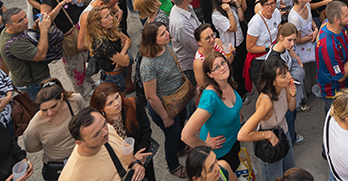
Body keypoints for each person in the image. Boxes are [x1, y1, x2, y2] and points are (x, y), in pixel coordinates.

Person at [138, 21, 189, 177]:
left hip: (178, 99)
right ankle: (173, 165)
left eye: (166, 30)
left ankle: (181, 148)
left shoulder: (166, 46)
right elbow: (150, 96)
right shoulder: (148, 64)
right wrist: (165, 117)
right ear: (152, 40)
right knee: (171, 137)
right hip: (164, 107)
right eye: (162, 33)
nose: (167, 33)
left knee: (181, 124)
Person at [181, 52, 244, 173]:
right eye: (216, 67)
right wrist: (205, 146)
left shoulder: (227, 79)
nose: (222, 68)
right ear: (210, 75)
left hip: (234, 139)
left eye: (223, 62)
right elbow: (186, 135)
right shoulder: (210, 99)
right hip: (222, 152)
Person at [238, 58, 298, 180]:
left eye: (287, 72)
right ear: (273, 82)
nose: (289, 76)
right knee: (275, 177)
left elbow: (291, 108)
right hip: (270, 144)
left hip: (284, 134)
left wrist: (292, 95)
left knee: (290, 172)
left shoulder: (284, 87)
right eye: (283, 75)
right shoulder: (266, 102)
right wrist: (268, 135)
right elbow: (242, 135)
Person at [59, 106, 150, 181]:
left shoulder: (108, 130)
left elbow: (124, 157)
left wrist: (135, 163)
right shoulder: (71, 176)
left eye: (104, 124)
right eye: (96, 134)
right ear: (80, 143)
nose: (105, 132)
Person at [40, 0, 90, 97]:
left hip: (80, 30)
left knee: (84, 60)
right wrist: (60, 5)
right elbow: (44, 19)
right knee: (74, 66)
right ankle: (82, 92)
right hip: (67, 36)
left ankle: (89, 83)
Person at [22, 78, 86, 181]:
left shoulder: (75, 100)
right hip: (60, 165)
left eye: (53, 106)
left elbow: (84, 117)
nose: (50, 113)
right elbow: (31, 148)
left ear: (61, 97)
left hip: (84, 155)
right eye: (44, 110)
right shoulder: (34, 127)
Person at [90, 82, 155, 181]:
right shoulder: (99, 126)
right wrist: (131, 160)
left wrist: (137, 156)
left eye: (117, 97)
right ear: (101, 108)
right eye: (110, 103)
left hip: (142, 157)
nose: (117, 103)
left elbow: (146, 130)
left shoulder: (133, 104)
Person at [0, 7, 54, 100]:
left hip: (35, 79)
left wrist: (35, 28)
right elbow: (40, 55)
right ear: (7, 26)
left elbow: (26, 37)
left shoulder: (9, 31)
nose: (26, 21)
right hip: (33, 84)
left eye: (25, 17)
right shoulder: (14, 44)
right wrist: (44, 30)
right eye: (20, 21)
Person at [84, 6, 130, 92]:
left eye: (110, 14)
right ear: (98, 24)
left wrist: (122, 52)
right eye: (107, 17)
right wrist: (123, 47)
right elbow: (126, 62)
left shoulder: (110, 30)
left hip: (120, 73)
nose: (112, 18)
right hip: (114, 77)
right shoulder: (102, 44)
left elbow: (128, 40)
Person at [210, 0, 246, 93]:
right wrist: (229, 11)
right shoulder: (216, 15)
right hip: (230, 46)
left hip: (240, 41)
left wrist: (237, 4)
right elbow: (233, 28)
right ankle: (240, 93)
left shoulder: (230, 5)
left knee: (243, 67)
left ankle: (245, 88)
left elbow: (241, 18)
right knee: (236, 70)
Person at [245, 0, 282, 91]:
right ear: (261, 5)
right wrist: (268, 48)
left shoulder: (277, 13)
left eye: (272, 3)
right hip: (259, 61)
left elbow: (278, 30)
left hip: (273, 56)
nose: (270, 7)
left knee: (277, 87)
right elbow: (250, 47)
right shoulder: (256, 23)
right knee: (266, 90)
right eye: (266, 4)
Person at [169, 0, 201, 84]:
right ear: (186, 0)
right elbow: (194, 46)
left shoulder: (185, 7)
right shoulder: (181, 24)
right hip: (191, 64)